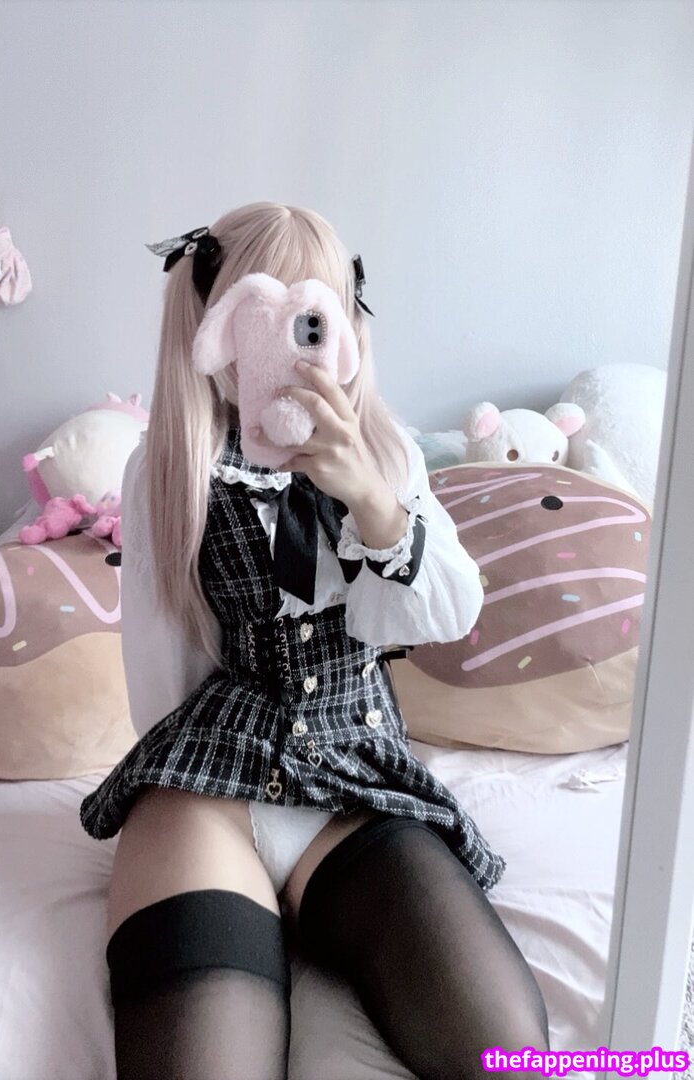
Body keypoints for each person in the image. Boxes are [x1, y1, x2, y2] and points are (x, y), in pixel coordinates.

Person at [79, 202, 550, 1080]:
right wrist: (172, 779)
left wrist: (371, 501)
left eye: (317, 315)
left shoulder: (389, 455)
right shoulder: (168, 466)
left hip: (355, 778)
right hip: (209, 789)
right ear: (216, 332)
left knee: (507, 1052)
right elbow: (161, 661)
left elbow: (445, 613)